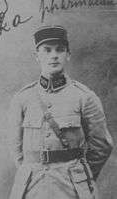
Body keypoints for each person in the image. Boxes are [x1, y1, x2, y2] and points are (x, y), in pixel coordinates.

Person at [7, 25, 113, 199]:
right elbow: (15, 147)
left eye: (60, 50)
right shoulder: (22, 98)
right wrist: (32, 170)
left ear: (68, 55)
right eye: (47, 50)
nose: (54, 55)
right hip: (32, 188)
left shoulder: (84, 97)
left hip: (72, 188)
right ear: (37, 56)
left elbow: (102, 146)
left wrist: (80, 177)